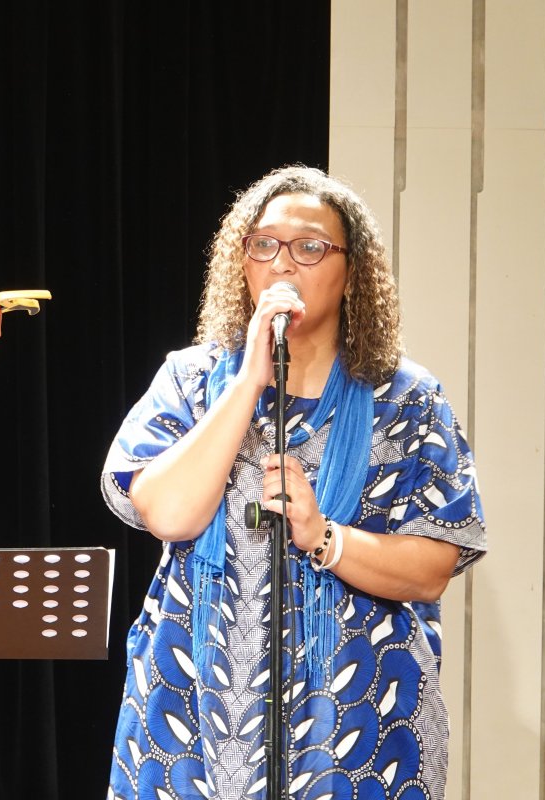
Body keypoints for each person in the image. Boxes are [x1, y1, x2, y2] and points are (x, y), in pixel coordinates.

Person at [101, 165, 486, 800]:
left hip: (356, 715)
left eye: (309, 247)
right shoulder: (192, 382)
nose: (284, 263)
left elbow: (431, 567)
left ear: (352, 271)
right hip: (193, 710)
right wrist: (248, 381)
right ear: (242, 264)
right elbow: (168, 513)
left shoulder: (407, 400)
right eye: (264, 244)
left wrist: (325, 536)